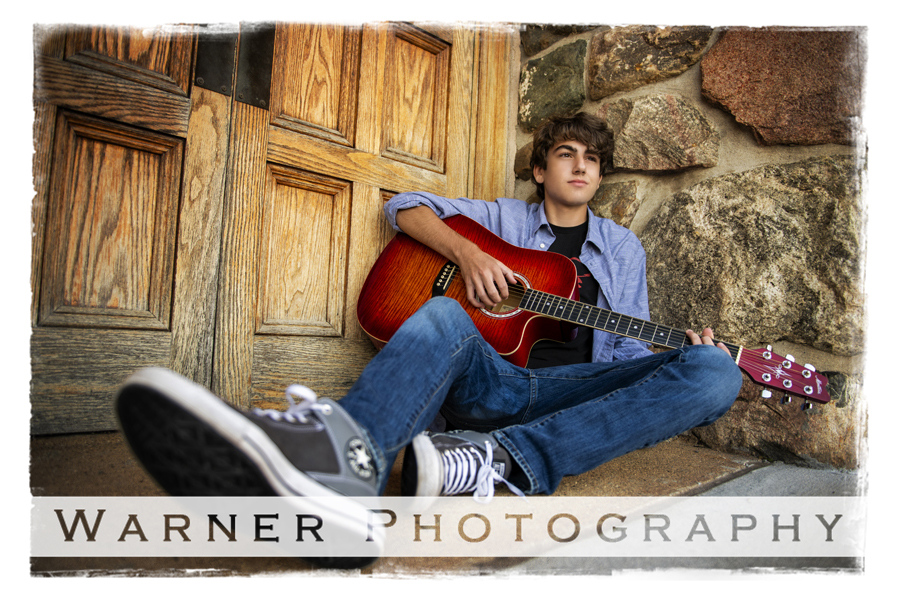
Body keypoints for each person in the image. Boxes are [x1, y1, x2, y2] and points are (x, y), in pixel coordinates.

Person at [115, 112, 743, 568]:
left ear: (600, 175)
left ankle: (496, 462)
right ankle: (341, 465)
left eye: (592, 159)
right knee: (445, 313)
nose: (580, 166)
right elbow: (406, 207)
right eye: (566, 153)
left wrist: (682, 357)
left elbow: (631, 358)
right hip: (493, 377)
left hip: (576, 399)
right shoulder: (503, 218)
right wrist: (468, 256)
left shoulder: (623, 248)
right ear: (540, 166)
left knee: (718, 372)